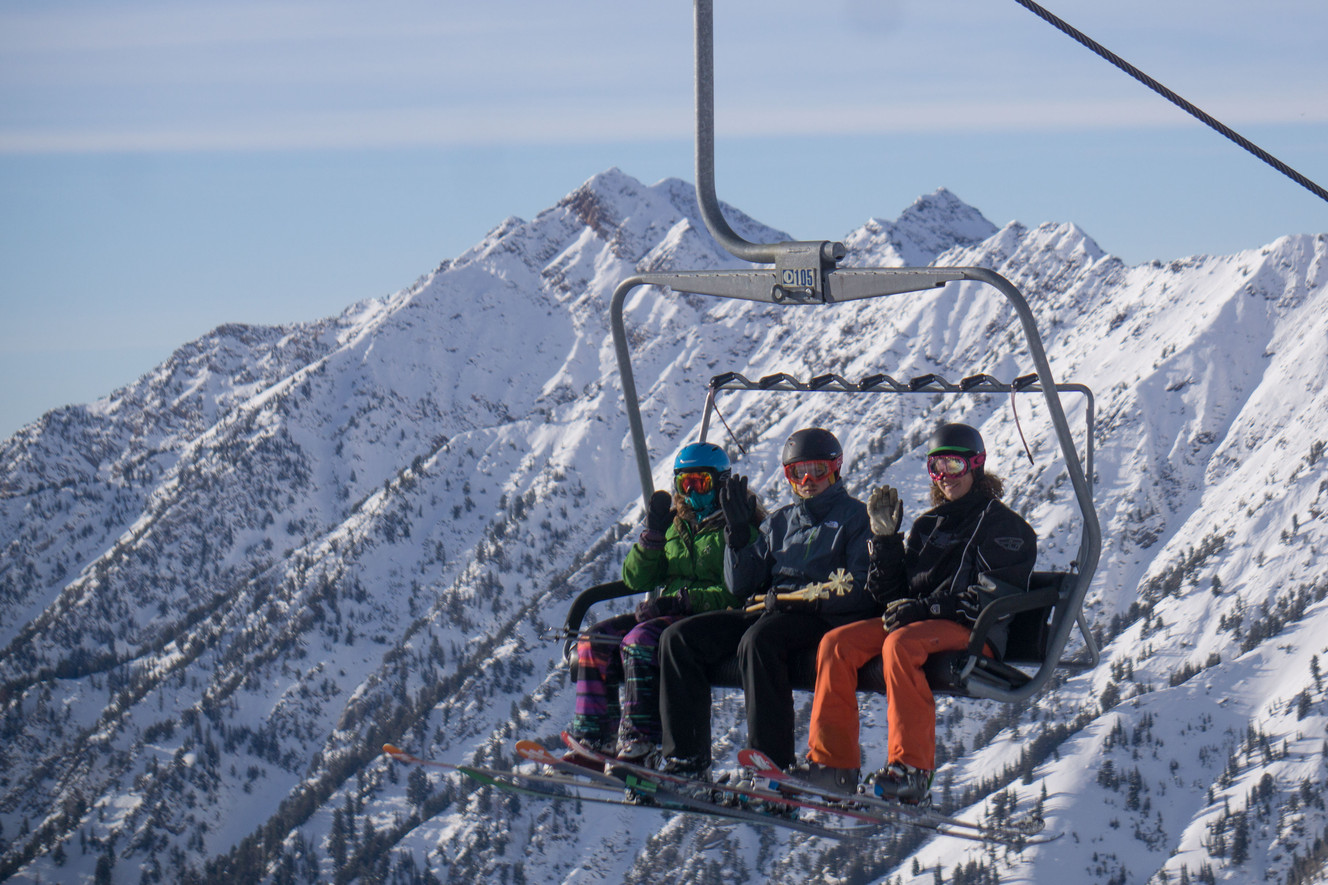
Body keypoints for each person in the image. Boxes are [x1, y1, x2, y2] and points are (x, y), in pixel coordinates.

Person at [798, 422, 1037, 802]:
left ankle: (911, 770)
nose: (944, 477)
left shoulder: (1005, 527)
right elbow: (892, 595)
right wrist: (886, 542)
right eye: (936, 468)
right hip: (923, 623)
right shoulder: (929, 525)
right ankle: (833, 765)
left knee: (900, 645)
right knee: (835, 644)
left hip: (975, 632)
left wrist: (924, 608)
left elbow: (988, 599)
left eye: (954, 467)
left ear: (976, 465)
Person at [655, 427, 874, 782]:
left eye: (817, 470)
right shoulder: (780, 521)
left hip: (820, 616)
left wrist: (808, 601)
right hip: (770, 610)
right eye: (796, 472)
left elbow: (861, 587)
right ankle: (686, 759)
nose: (807, 480)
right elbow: (739, 584)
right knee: (678, 639)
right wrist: (738, 536)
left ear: (835, 470)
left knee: (760, 640)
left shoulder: (855, 518)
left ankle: (771, 765)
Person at [566, 442, 759, 769]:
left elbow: (738, 590)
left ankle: (642, 740)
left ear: (722, 483)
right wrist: (653, 536)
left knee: (639, 642)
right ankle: (596, 736)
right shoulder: (675, 525)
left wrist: (684, 600)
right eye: (685, 484)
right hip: (666, 613)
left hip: (706, 619)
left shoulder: (740, 528)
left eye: (702, 483)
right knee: (595, 641)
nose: (693, 492)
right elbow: (636, 579)